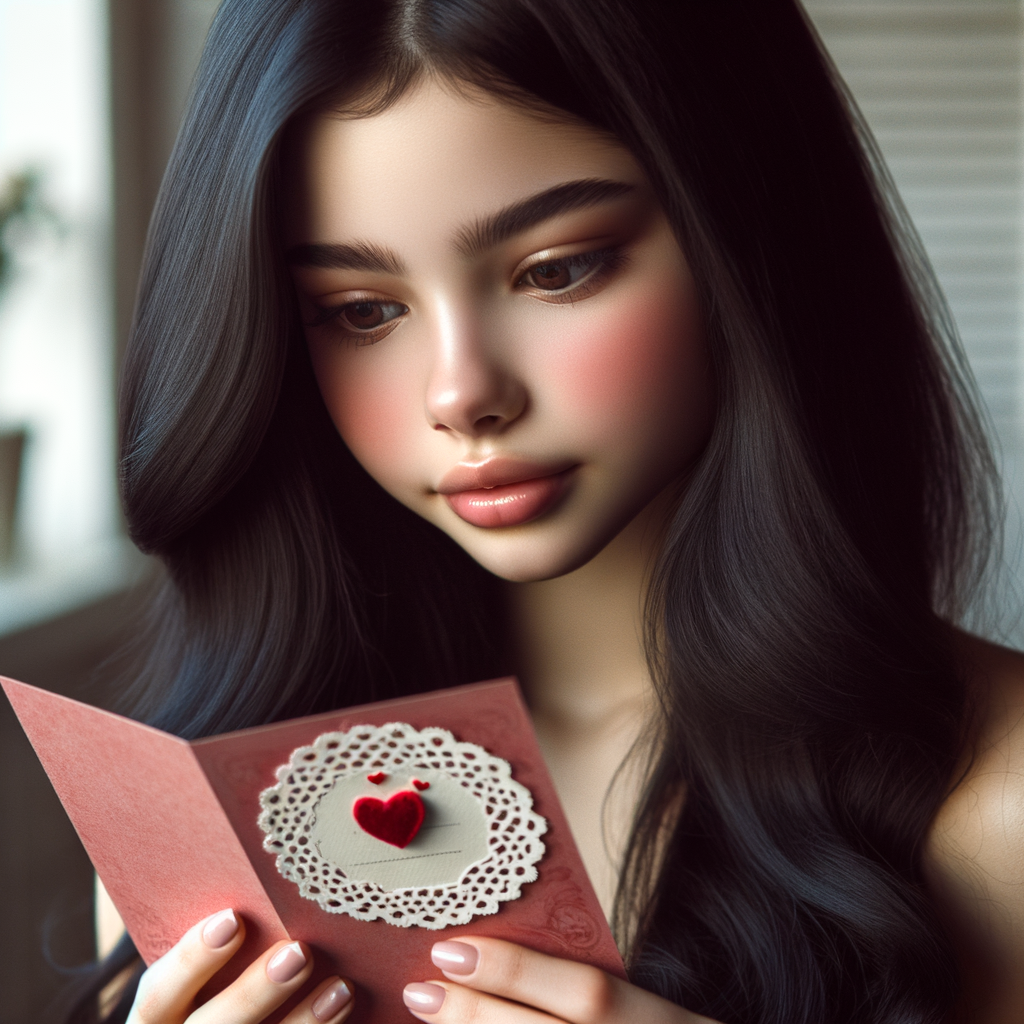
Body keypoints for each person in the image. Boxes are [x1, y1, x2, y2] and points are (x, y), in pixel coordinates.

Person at [69, 1, 1024, 1022]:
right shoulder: (209, 826)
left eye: (556, 270)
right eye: (361, 310)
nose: (459, 393)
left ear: (750, 238)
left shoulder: (995, 809)